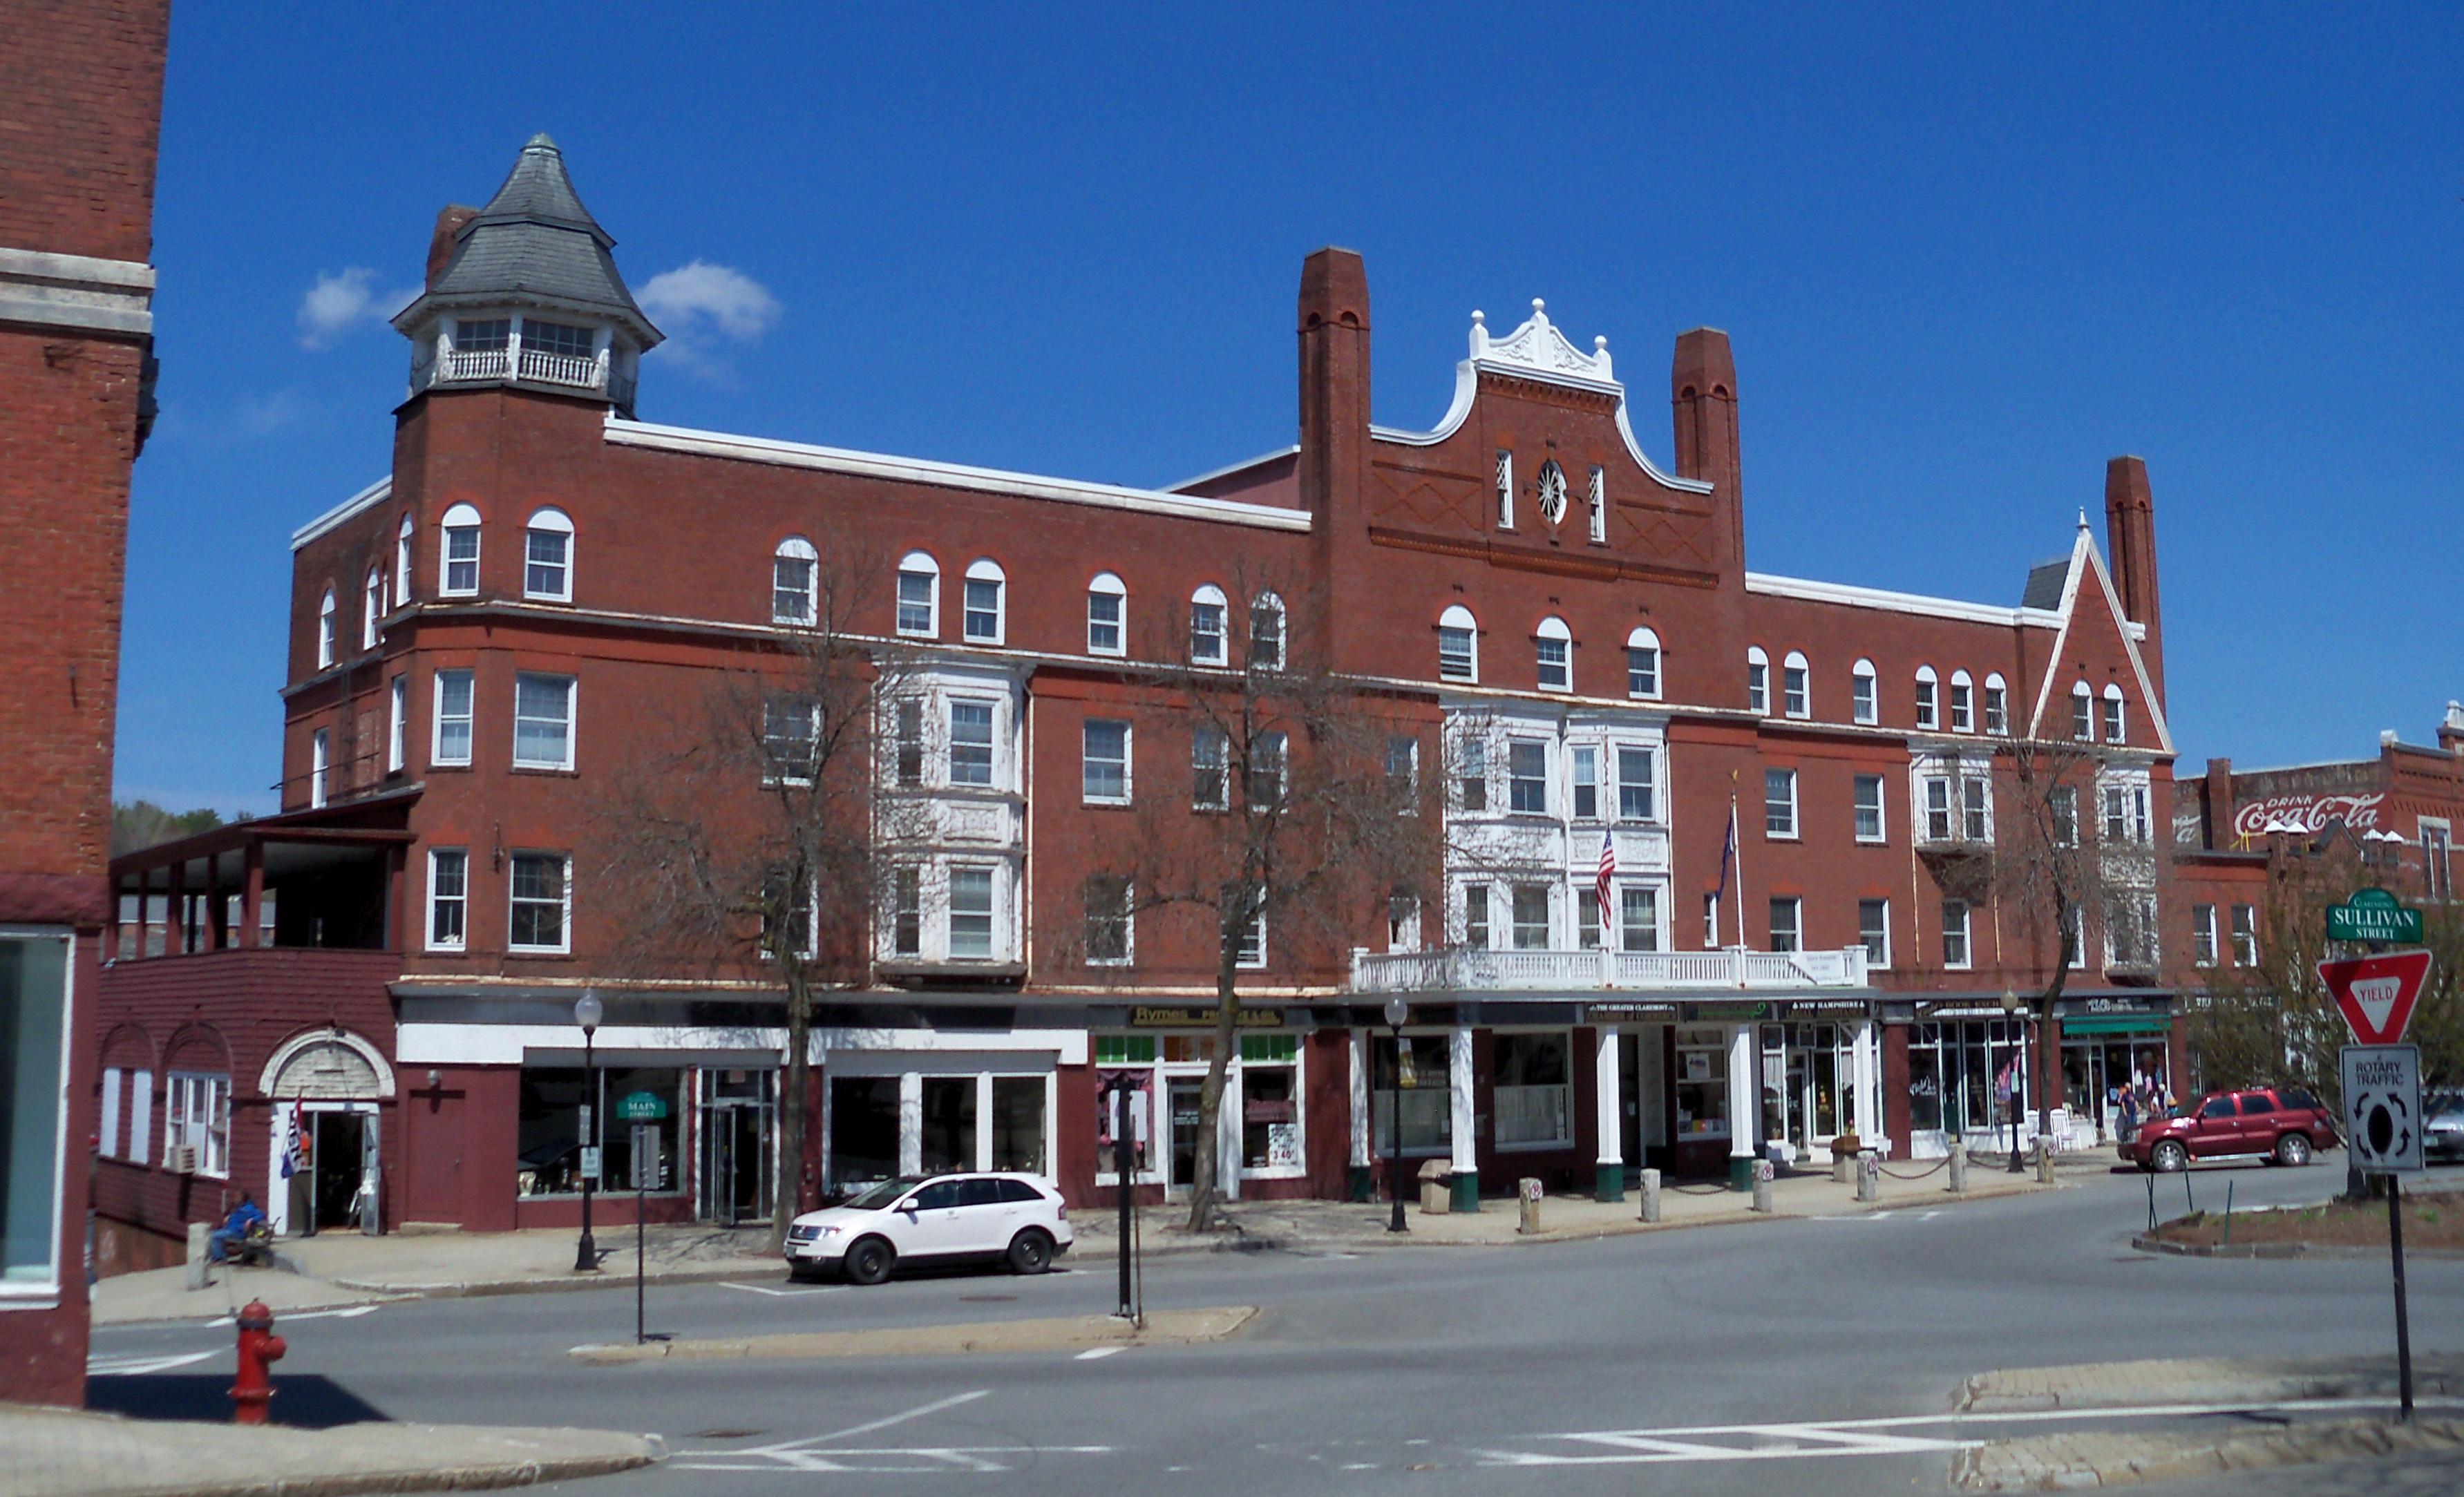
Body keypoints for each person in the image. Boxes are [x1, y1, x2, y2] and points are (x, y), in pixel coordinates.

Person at [206, 1194, 267, 1264]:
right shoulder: (240, 1208)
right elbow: (237, 1217)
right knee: (212, 1234)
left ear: (243, 1199)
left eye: (238, 1197)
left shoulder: (249, 1208)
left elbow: (262, 1215)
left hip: (238, 1232)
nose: (236, 1199)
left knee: (215, 1236)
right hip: (231, 1230)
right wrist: (230, 1217)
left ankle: (220, 1259)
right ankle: (215, 1256)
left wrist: (251, 1220)